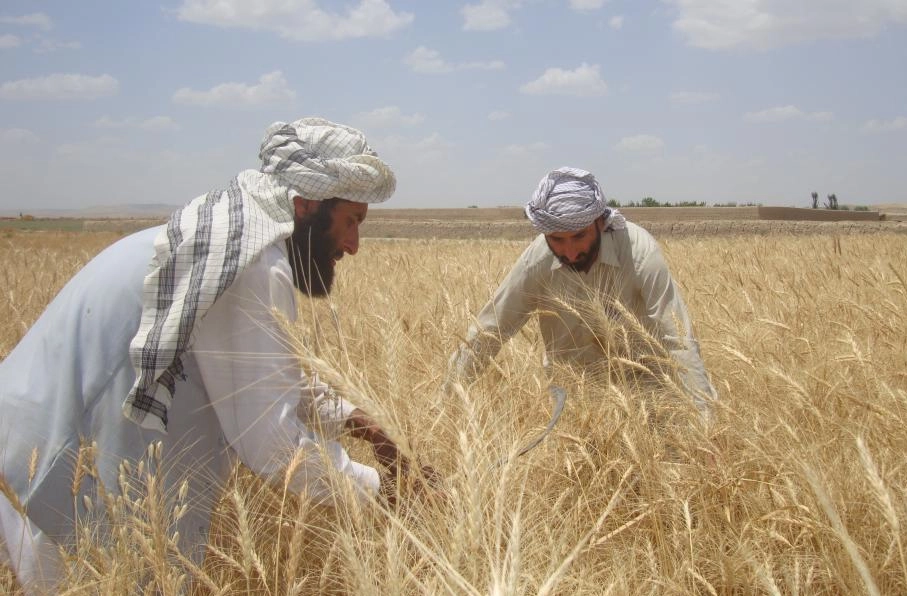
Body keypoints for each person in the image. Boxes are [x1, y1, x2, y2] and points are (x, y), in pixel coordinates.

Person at [0, 117, 421, 594]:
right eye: (352, 222)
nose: (353, 246)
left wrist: (359, 423)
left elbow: (264, 369)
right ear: (307, 204)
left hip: (26, 458)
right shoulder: (253, 268)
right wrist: (380, 493)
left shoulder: (218, 243)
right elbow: (271, 442)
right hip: (51, 492)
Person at [447, 166, 716, 421]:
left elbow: (678, 339)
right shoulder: (537, 261)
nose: (571, 252)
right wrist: (446, 403)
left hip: (647, 391)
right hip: (575, 399)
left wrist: (703, 418)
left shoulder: (639, 252)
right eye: (557, 240)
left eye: (578, 236)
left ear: (600, 222)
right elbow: (490, 329)